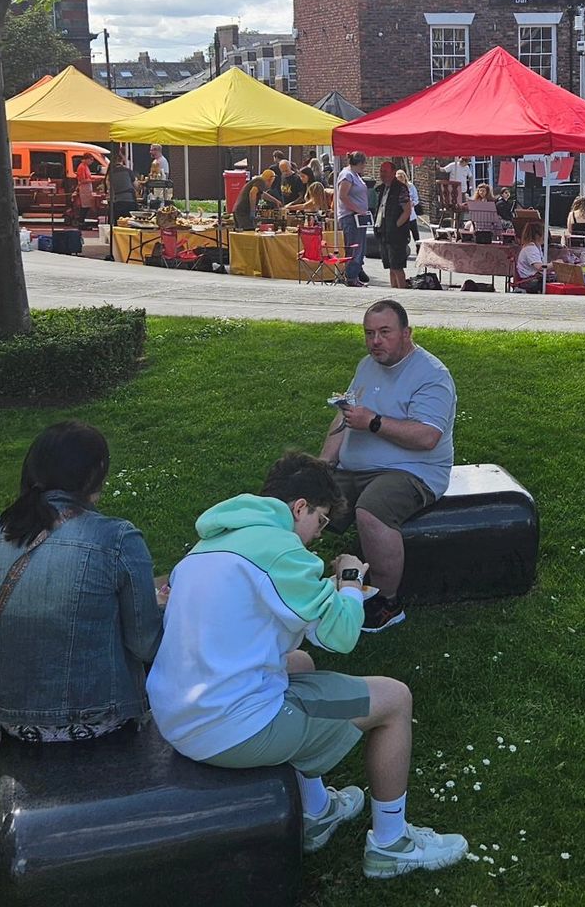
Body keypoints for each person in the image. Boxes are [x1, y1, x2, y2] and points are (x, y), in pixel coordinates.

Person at [146, 451, 467, 876]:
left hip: (178, 716)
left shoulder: (208, 546)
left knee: (299, 662)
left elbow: (266, 610)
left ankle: (316, 811)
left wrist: (326, 594)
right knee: (394, 699)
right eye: (319, 520)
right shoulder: (281, 549)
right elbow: (340, 635)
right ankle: (392, 843)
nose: (318, 535)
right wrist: (351, 581)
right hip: (228, 728)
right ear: (300, 507)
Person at [0, 422, 162, 744]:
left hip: (7, 716)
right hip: (97, 718)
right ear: (96, 473)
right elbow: (145, 644)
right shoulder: (117, 537)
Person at [320, 301, 456, 633]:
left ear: (406, 334)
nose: (375, 341)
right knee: (301, 494)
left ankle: (386, 602)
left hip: (414, 471)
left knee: (372, 509)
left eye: (384, 333)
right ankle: (286, 577)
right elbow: (346, 413)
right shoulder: (367, 364)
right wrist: (322, 465)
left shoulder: (432, 376)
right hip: (357, 469)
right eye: (369, 334)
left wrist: (375, 423)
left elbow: (427, 437)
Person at [374, 162, 412, 291]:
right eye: (381, 171)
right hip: (383, 230)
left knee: (397, 265)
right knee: (390, 265)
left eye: (385, 171)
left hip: (396, 233)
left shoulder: (400, 188)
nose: (382, 174)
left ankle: (401, 291)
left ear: (393, 172)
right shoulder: (382, 188)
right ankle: (393, 290)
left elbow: (407, 210)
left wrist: (396, 225)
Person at [337, 152, 372, 289]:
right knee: (354, 247)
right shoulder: (347, 175)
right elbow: (343, 196)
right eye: (364, 164)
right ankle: (351, 277)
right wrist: (357, 209)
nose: (365, 166)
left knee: (359, 248)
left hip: (359, 218)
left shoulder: (355, 175)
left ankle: (355, 275)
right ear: (359, 163)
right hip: (351, 217)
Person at [105, 150, 138, 239]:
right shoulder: (128, 171)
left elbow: (109, 189)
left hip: (117, 202)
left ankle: (119, 243)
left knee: (118, 225)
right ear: (121, 161)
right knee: (129, 224)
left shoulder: (110, 174)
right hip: (129, 200)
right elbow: (136, 185)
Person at [513, 220, 550, 293]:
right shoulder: (530, 248)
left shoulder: (535, 247)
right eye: (544, 234)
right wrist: (555, 264)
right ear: (537, 235)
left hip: (531, 279)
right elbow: (539, 267)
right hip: (528, 281)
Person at [395, 169, 421, 245]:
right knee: (403, 235)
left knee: (416, 234)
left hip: (411, 215)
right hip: (401, 215)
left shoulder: (410, 186)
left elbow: (416, 199)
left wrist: (412, 203)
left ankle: (418, 248)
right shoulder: (396, 188)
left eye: (401, 179)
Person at [74, 155, 97, 222]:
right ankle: (81, 221)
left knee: (87, 205)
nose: (92, 162)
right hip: (84, 188)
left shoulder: (85, 166)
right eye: (91, 160)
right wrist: (92, 180)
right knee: (85, 206)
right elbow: (82, 180)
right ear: (86, 159)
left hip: (87, 188)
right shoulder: (81, 167)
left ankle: (82, 220)